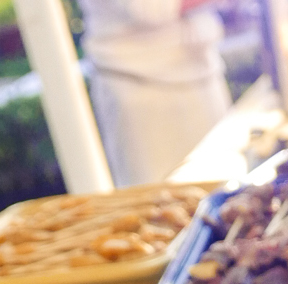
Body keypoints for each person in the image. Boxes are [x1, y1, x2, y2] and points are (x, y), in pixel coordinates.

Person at [81, 0, 233, 186]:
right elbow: (149, 7)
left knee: (229, 186)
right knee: (161, 201)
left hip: (202, 69)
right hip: (140, 87)